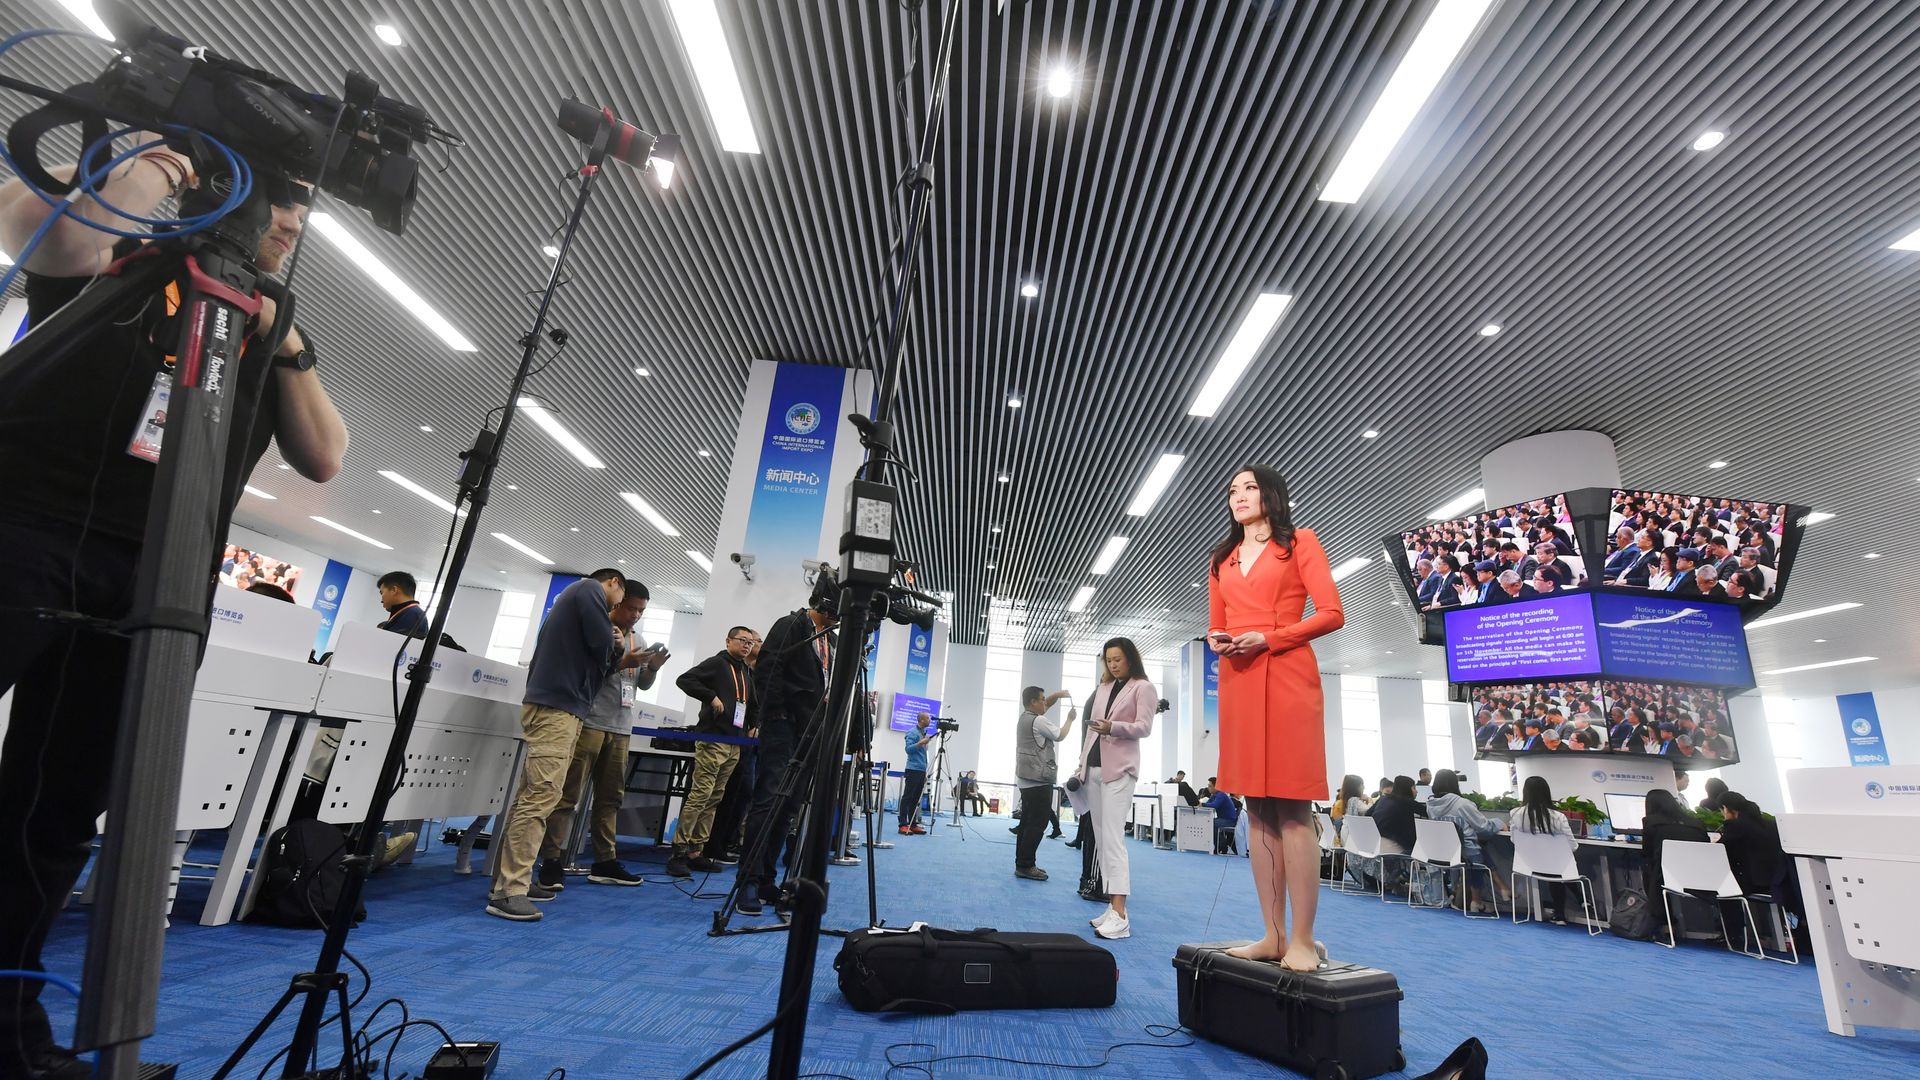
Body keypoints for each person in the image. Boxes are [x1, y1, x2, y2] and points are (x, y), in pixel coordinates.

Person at [0, 137, 347, 1076]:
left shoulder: (262, 314)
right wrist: (166, 162)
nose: (293, 223)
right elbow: (42, 244)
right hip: (26, 526)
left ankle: (9, 1017)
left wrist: (287, 333)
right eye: (283, 198)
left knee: (60, 808)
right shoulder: (121, 242)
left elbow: (324, 454)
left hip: (156, 571)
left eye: (305, 207)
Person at [1208, 464, 1344, 970]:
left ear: (1271, 495)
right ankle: (1273, 934)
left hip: (1288, 676)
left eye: (1249, 487)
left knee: (1292, 809)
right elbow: (1216, 623)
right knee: (1258, 811)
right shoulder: (1221, 558)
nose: (1239, 496)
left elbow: (1331, 613)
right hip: (1240, 680)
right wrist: (1216, 639)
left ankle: (1304, 939)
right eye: (1232, 489)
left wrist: (1271, 636)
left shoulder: (1300, 542)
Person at [486, 569, 626, 921]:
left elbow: (598, 661)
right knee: (541, 796)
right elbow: (602, 649)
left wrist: (611, 651)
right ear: (613, 583)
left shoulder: (576, 599)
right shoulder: (590, 589)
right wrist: (617, 644)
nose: (618, 607)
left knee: (530, 797)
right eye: (621, 599)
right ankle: (510, 890)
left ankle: (507, 882)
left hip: (559, 708)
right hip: (557, 710)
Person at [536, 580, 664, 889]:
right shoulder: (597, 629)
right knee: (568, 794)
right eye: (631, 608)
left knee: (610, 799)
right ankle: (551, 859)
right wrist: (624, 660)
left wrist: (652, 669)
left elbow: (639, 685)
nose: (635, 615)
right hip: (590, 721)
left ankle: (605, 861)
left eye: (641, 611)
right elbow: (589, 671)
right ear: (617, 603)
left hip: (620, 725)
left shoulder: (639, 639)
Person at [734, 578, 838, 916]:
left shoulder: (832, 641)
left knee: (789, 808)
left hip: (811, 732)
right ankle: (747, 880)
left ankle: (766, 878)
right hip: (784, 727)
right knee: (768, 801)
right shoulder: (792, 625)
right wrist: (775, 713)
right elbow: (769, 668)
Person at [1076, 637, 1158, 940]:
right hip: (1095, 768)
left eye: (1118, 659)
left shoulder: (1143, 687)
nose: (1112, 664)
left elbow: (1144, 727)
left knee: (1113, 840)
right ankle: (1112, 908)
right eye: (1108, 660)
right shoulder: (1104, 688)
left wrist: (1114, 728)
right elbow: (1089, 731)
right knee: (1100, 839)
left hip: (1120, 769)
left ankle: (1121, 913)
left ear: (1130, 659)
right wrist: (1082, 764)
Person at [668, 625, 759, 877]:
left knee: (715, 797)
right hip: (713, 738)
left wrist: (754, 725)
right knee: (700, 795)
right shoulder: (718, 663)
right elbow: (684, 679)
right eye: (742, 640)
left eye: (750, 642)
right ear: (728, 640)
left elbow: (752, 704)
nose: (747, 645)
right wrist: (710, 696)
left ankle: (697, 850)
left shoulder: (745, 671)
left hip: (735, 742)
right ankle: (678, 851)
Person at [1719, 792, 1805, 942]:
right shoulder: (1769, 824)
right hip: (1779, 881)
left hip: (1756, 883)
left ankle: (1733, 936)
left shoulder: (1735, 825)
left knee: (1722, 888)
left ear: (1726, 809)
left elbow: (1720, 851)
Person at [1425, 770, 1510, 912]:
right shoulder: (1463, 804)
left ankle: (1491, 893)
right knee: (1475, 850)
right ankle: (1479, 899)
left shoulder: (1430, 805)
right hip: (1464, 854)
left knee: (1476, 848)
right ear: (1455, 784)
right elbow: (1484, 827)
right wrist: (1500, 823)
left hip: (1441, 852)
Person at [1014, 686, 1075, 880]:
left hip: (1024, 778)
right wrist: (1070, 719)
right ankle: (1026, 865)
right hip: (1039, 779)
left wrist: (1057, 695)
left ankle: (1022, 862)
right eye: (1041, 699)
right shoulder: (1039, 721)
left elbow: (1046, 705)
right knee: (1037, 824)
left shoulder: (1024, 718)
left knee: (1025, 823)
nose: (1044, 702)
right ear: (1033, 702)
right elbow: (1060, 735)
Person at [1641, 787, 1710, 938]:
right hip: (1704, 879)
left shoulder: (1651, 822)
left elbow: (1647, 852)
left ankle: (1663, 922)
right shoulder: (1697, 823)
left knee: (1650, 869)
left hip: (1667, 876)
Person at [1509, 776, 1578, 924]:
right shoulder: (1558, 817)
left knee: (1555, 868)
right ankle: (1580, 901)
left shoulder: (1515, 814)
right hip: (1556, 867)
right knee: (1559, 868)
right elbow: (1572, 846)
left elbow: (1514, 840)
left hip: (1528, 865)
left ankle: (1562, 913)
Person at [1365, 776, 1430, 898]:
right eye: (1414, 788)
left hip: (1375, 845)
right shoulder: (1407, 802)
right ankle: (1399, 881)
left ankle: (1396, 883)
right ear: (1407, 789)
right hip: (1392, 848)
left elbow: (1367, 815)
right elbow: (1429, 812)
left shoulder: (1383, 800)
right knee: (1425, 848)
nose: (1416, 791)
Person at [1330, 774, 1376, 888]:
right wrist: (1370, 800)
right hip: (1353, 837)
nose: (1364, 788)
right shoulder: (1355, 800)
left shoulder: (1345, 800)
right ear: (1356, 787)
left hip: (1347, 834)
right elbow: (1368, 811)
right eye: (1362, 785)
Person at [897, 713, 936, 835]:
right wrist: (920, 743)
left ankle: (912, 824)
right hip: (913, 769)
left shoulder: (922, 733)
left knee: (915, 799)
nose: (930, 720)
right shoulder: (913, 732)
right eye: (928, 718)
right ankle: (903, 824)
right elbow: (908, 750)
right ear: (922, 720)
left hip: (921, 770)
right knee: (907, 797)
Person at [376, 571, 429, 637]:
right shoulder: (411, 612)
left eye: (382, 593)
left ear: (394, 590)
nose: (381, 600)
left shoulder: (413, 615)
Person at [1206, 789, 1241, 854]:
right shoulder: (1214, 795)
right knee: (1212, 822)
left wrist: (1202, 804)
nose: (1208, 788)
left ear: (1215, 787)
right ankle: (1221, 845)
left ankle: (1221, 845)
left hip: (1230, 821)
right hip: (1224, 819)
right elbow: (1209, 803)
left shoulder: (1221, 795)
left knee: (1211, 823)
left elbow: (1215, 805)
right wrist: (1203, 804)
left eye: (1210, 786)